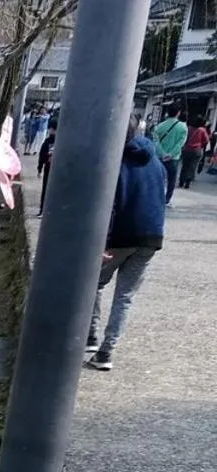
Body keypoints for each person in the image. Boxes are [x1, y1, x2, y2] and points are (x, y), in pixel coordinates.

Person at [85, 122, 167, 372]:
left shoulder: (116, 162)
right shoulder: (155, 160)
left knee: (93, 284)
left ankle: (90, 336)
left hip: (121, 235)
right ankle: (106, 352)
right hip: (151, 236)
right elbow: (165, 192)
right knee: (125, 296)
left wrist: (102, 242)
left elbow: (111, 205)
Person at [151, 103, 186, 204]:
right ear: (178, 113)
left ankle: (156, 196)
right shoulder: (183, 127)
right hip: (174, 158)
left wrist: (163, 153)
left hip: (159, 157)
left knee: (158, 178)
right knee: (171, 180)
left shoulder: (160, 126)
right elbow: (180, 143)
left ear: (167, 113)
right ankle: (167, 199)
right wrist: (170, 154)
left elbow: (155, 142)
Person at [179, 120, 209, 188]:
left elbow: (184, 137)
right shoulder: (202, 130)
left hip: (186, 149)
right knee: (192, 166)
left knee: (185, 165)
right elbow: (206, 140)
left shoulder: (189, 128)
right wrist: (201, 145)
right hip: (196, 150)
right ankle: (188, 181)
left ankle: (181, 181)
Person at [37, 126, 56, 216]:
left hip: (55, 171)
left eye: (51, 129)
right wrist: (39, 168)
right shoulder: (47, 141)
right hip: (48, 169)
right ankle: (42, 210)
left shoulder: (59, 141)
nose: (50, 131)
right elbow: (42, 155)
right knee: (45, 190)